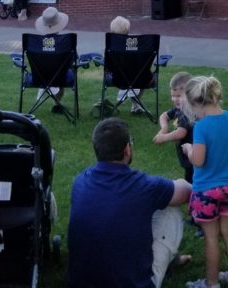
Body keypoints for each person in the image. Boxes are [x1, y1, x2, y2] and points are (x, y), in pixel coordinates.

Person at [68, 117, 192, 288]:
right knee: (170, 210)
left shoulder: (80, 181)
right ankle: (165, 262)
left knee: (137, 209)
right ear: (127, 149)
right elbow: (187, 192)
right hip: (133, 284)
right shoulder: (144, 186)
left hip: (81, 282)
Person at [181, 75, 228, 288]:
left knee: (211, 237)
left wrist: (189, 148)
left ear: (197, 103)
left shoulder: (201, 127)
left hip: (206, 191)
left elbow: (198, 161)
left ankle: (211, 283)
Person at [154, 71, 195, 183]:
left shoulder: (187, 113)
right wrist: (164, 128)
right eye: (173, 96)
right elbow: (164, 116)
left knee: (193, 178)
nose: (174, 99)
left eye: (178, 96)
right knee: (189, 174)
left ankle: (196, 196)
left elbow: (181, 133)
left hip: (193, 153)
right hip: (187, 153)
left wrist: (164, 137)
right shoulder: (179, 109)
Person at [110, 15, 146, 113]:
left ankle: (135, 104)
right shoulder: (136, 42)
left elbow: (109, 64)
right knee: (146, 76)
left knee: (135, 77)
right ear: (128, 29)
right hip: (139, 77)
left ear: (112, 31)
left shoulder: (111, 44)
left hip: (117, 78)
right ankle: (136, 104)